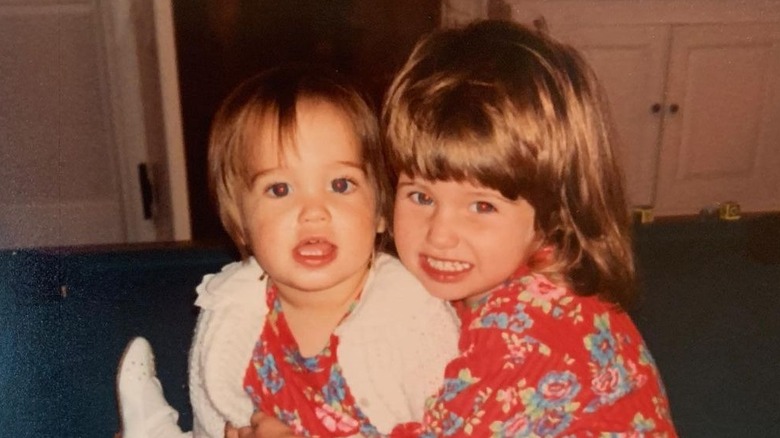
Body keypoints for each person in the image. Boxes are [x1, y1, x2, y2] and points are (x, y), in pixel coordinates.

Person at [115, 64, 459, 438]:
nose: (313, 212)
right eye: (279, 190)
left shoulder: (413, 316)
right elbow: (214, 416)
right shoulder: (233, 307)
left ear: (380, 210)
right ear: (241, 221)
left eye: (341, 184)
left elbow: (460, 427)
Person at [378, 19, 678, 436]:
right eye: (421, 197)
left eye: (482, 205)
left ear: (554, 211)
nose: (439, 234)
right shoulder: (510, 277)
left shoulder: (526, 332)